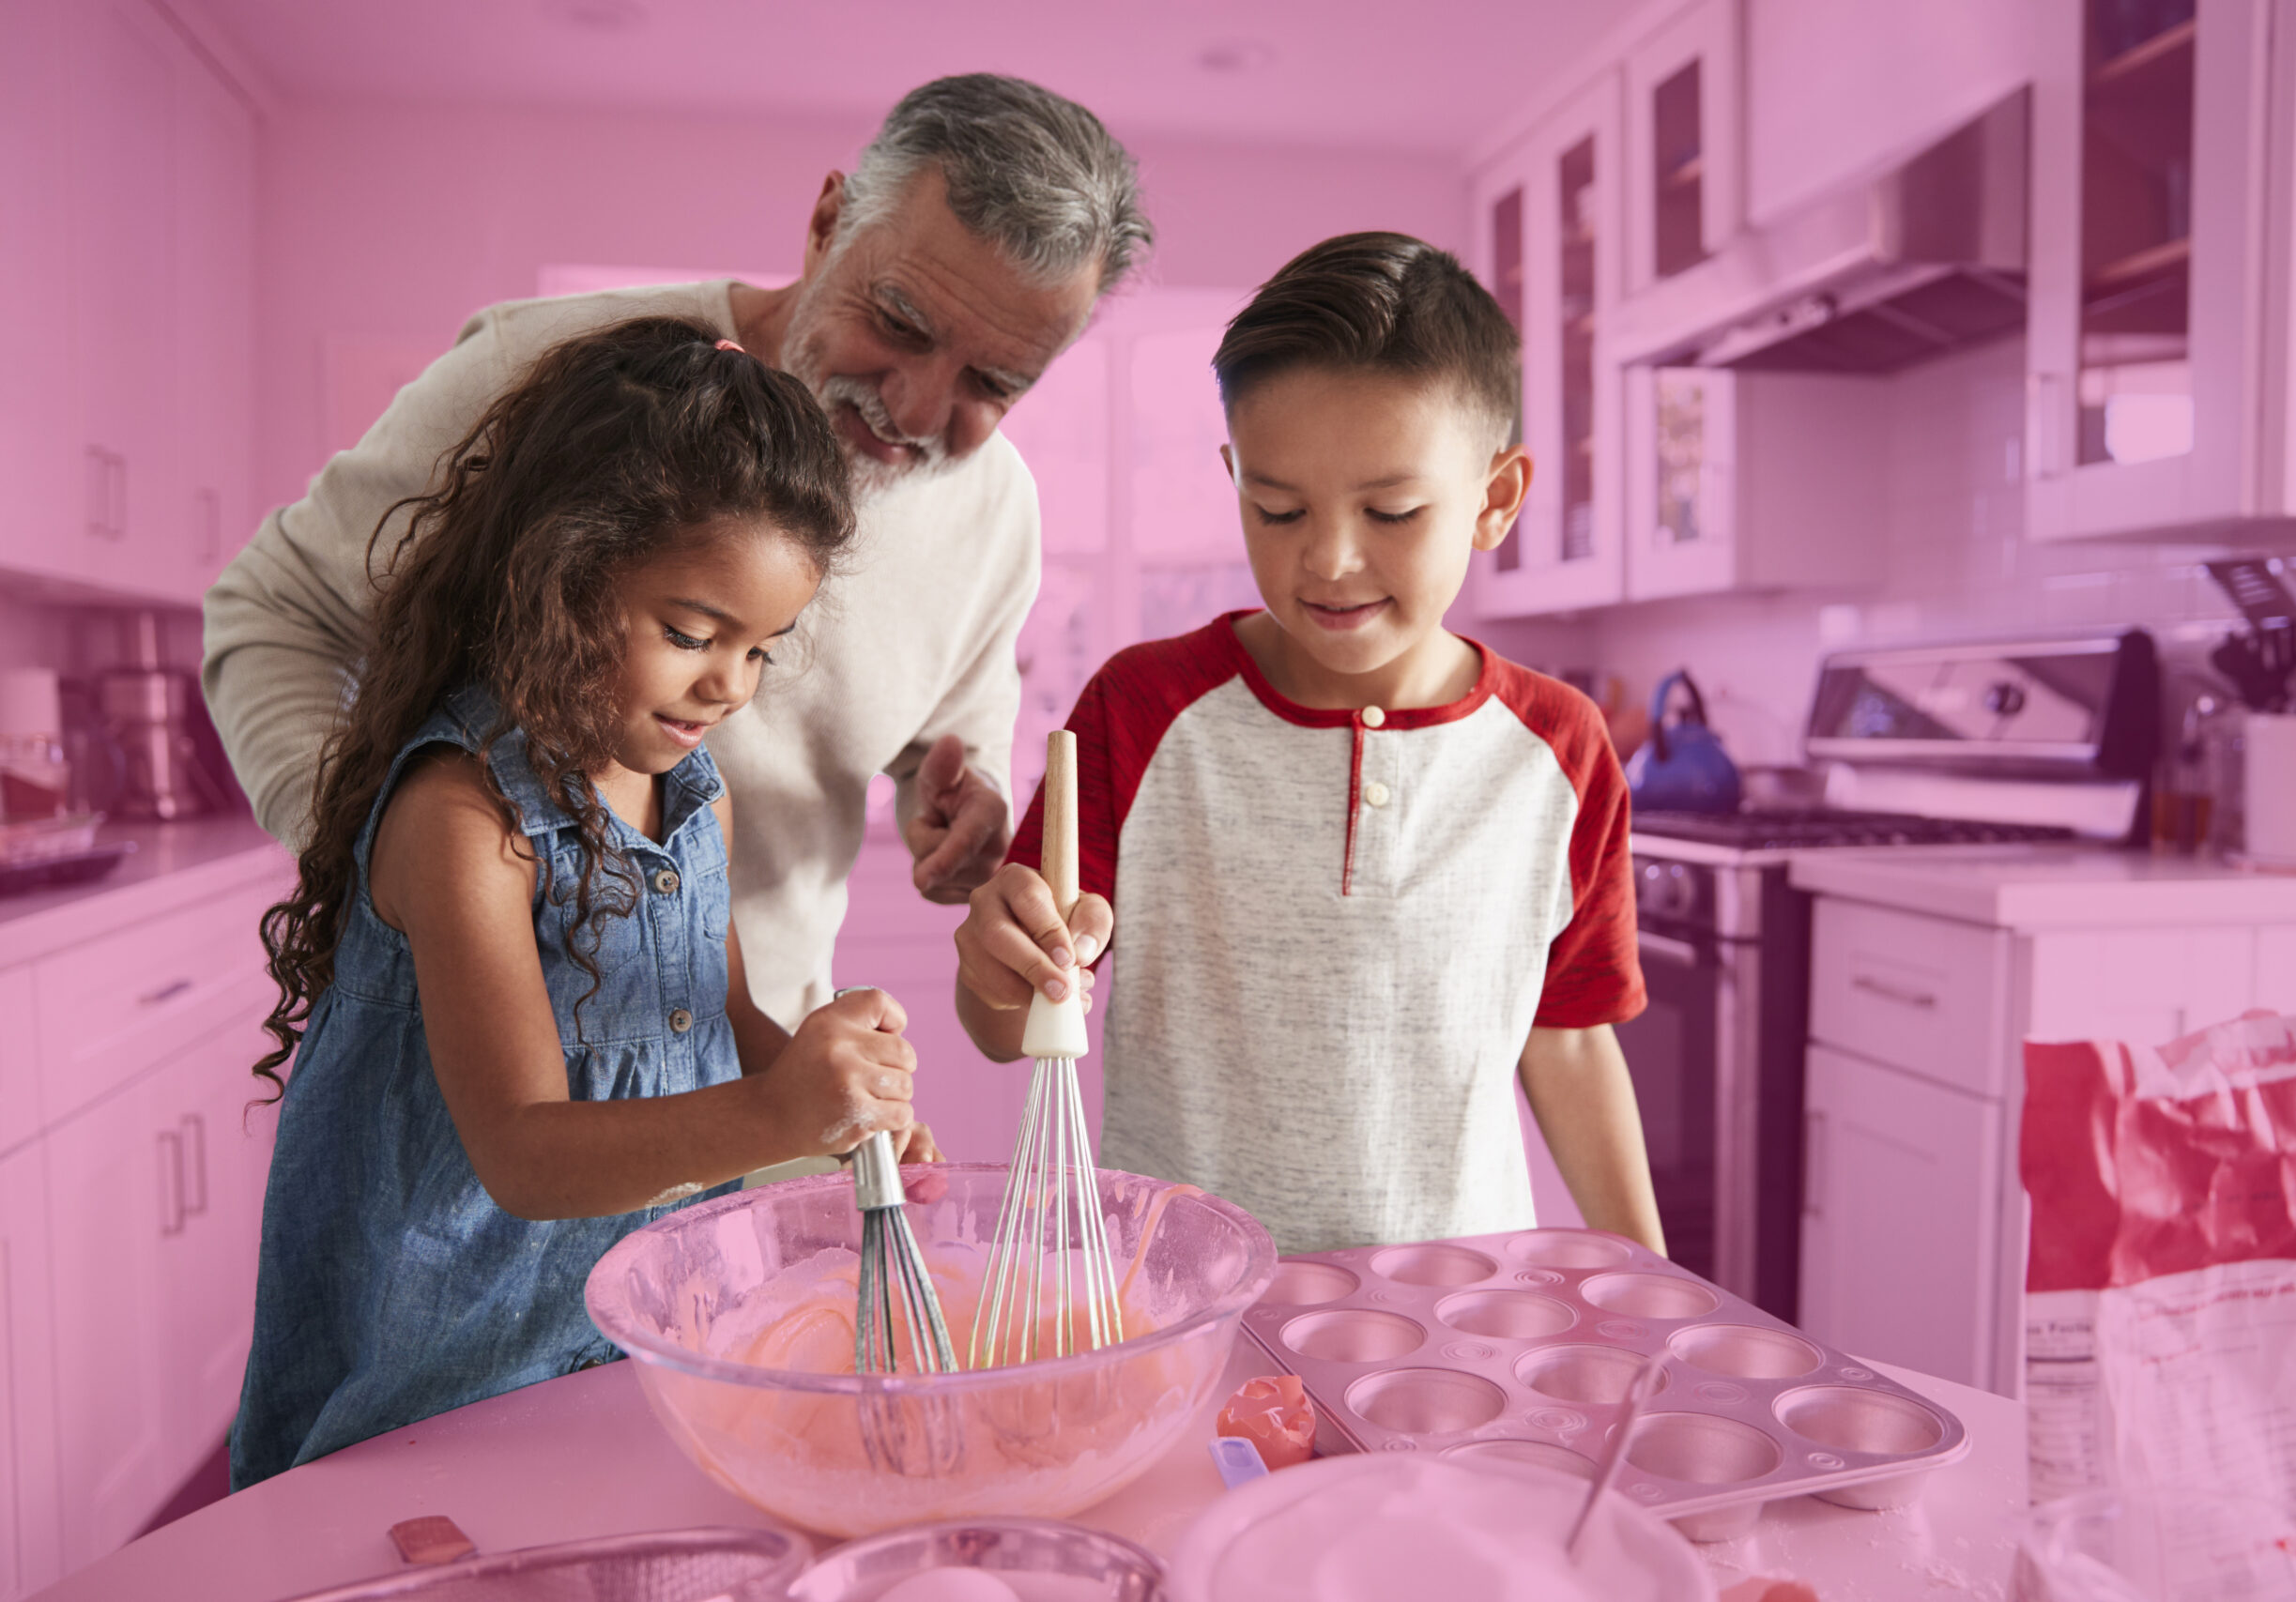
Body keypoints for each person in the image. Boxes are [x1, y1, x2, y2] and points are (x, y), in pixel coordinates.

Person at [203, 74, 1151, 1029]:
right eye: (898, 323)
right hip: (470, 1054)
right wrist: (374, 852)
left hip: (757, 1068)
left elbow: (943, 747)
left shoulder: (997, 514)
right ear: (829, 221)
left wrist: (955, 810)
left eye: (992, 381)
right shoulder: (552, 381)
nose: (912, 412)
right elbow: (276, 612)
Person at [230, 318, 940, 1486]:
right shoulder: (465, 824)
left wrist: (826, 1090)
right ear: (561, 576)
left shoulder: (690, 794)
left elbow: (712, 1016)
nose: (729, 687)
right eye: (691, 635)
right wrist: (777, 1118)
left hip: (634, 1337)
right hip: (442, 1377)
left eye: (763, 649)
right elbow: (522, 1153)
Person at [952, 233, 1664, 1255]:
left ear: (1495, 498)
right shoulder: (1141, 708)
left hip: (1453, 1312)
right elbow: (1012, 1026)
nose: (1328, 559)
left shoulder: (1557, 747)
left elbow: (1569, 1035)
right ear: (1235, 475)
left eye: (1392, 510)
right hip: (1175, 1295)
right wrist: (993, 969)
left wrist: (1651, 1280)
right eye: (1277, 508)